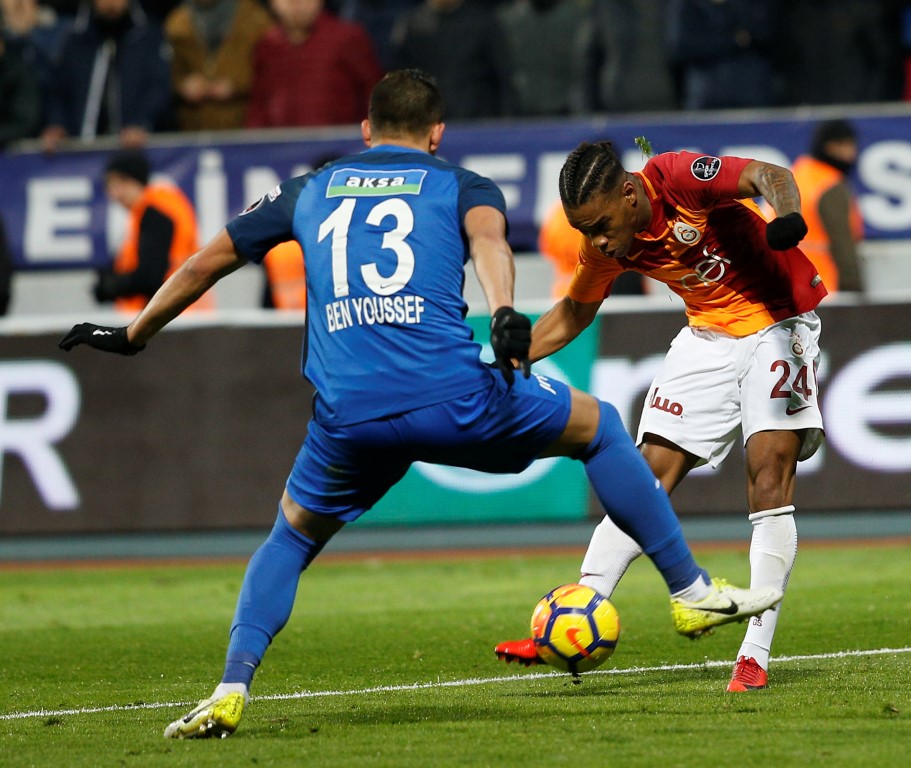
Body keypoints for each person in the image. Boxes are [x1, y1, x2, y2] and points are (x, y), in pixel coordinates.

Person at [58, 70, 782, 738]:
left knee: (290, 539)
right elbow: (491, 243)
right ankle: (689, 590)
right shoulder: (463, 184)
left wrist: (133, 333)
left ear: (366, 130)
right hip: (452, 397)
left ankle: (230, 687)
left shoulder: (306, 190)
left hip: (346, 417)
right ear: (437, 133)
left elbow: (206, 261)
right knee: (598, 428)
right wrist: (505, 312)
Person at [494, 140, 826, 693]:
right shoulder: (606, 244)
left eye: (601, 225)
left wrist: (786, 216)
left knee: (769, 477)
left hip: (779, 322)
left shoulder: (677, 179)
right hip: (708, 335)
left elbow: (769, 174)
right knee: (642, 479)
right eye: (583, 230)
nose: (596, 241)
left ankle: (754, 656)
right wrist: (506, 361)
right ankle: (574, 617)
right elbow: (575, 311)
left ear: (629, 194)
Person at [40, 0, 171, 151]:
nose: (111, 3)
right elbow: (58, 90)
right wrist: (58, 124)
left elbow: (158, 87)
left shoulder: (148, 37)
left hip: (136, 150)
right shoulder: (75, 40)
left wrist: (142, 122)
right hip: (81, 151)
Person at [97, 150, 212, 313]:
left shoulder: (155, 214)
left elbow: (151, 276)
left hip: (174, 313)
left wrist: (112, 286)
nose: (114, 193)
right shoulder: (155, 209)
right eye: (110, 185)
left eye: (121, 183)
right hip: (181, 308)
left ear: (136, 180)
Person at [245, 0, 380, 128]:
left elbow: (375, 96)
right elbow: (259, 107)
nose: (296, 4)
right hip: (279, 142)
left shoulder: (347, 38)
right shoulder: (267, 46)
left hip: (341, 142)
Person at [391, 0, 511, 120]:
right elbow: (402, 80)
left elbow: (503, 75)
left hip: (477, 120)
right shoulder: (413, 25)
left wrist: (505, 119)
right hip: (428, 120)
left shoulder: (482, 22)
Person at [164, 0, 272, 131]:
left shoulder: (255, 19)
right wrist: (183, 85)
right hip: (193, 127)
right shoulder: (175, 23)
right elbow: (166, 73)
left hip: (244, 124)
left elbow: (271, 71)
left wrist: (236, 85)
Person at [790, 119, 864, 294]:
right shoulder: (829, 186)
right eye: (845, 145)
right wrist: (855, 291)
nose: (852, 153)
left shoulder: (795, 176)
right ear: (829, 147)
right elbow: (843, 245)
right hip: (821, 288)